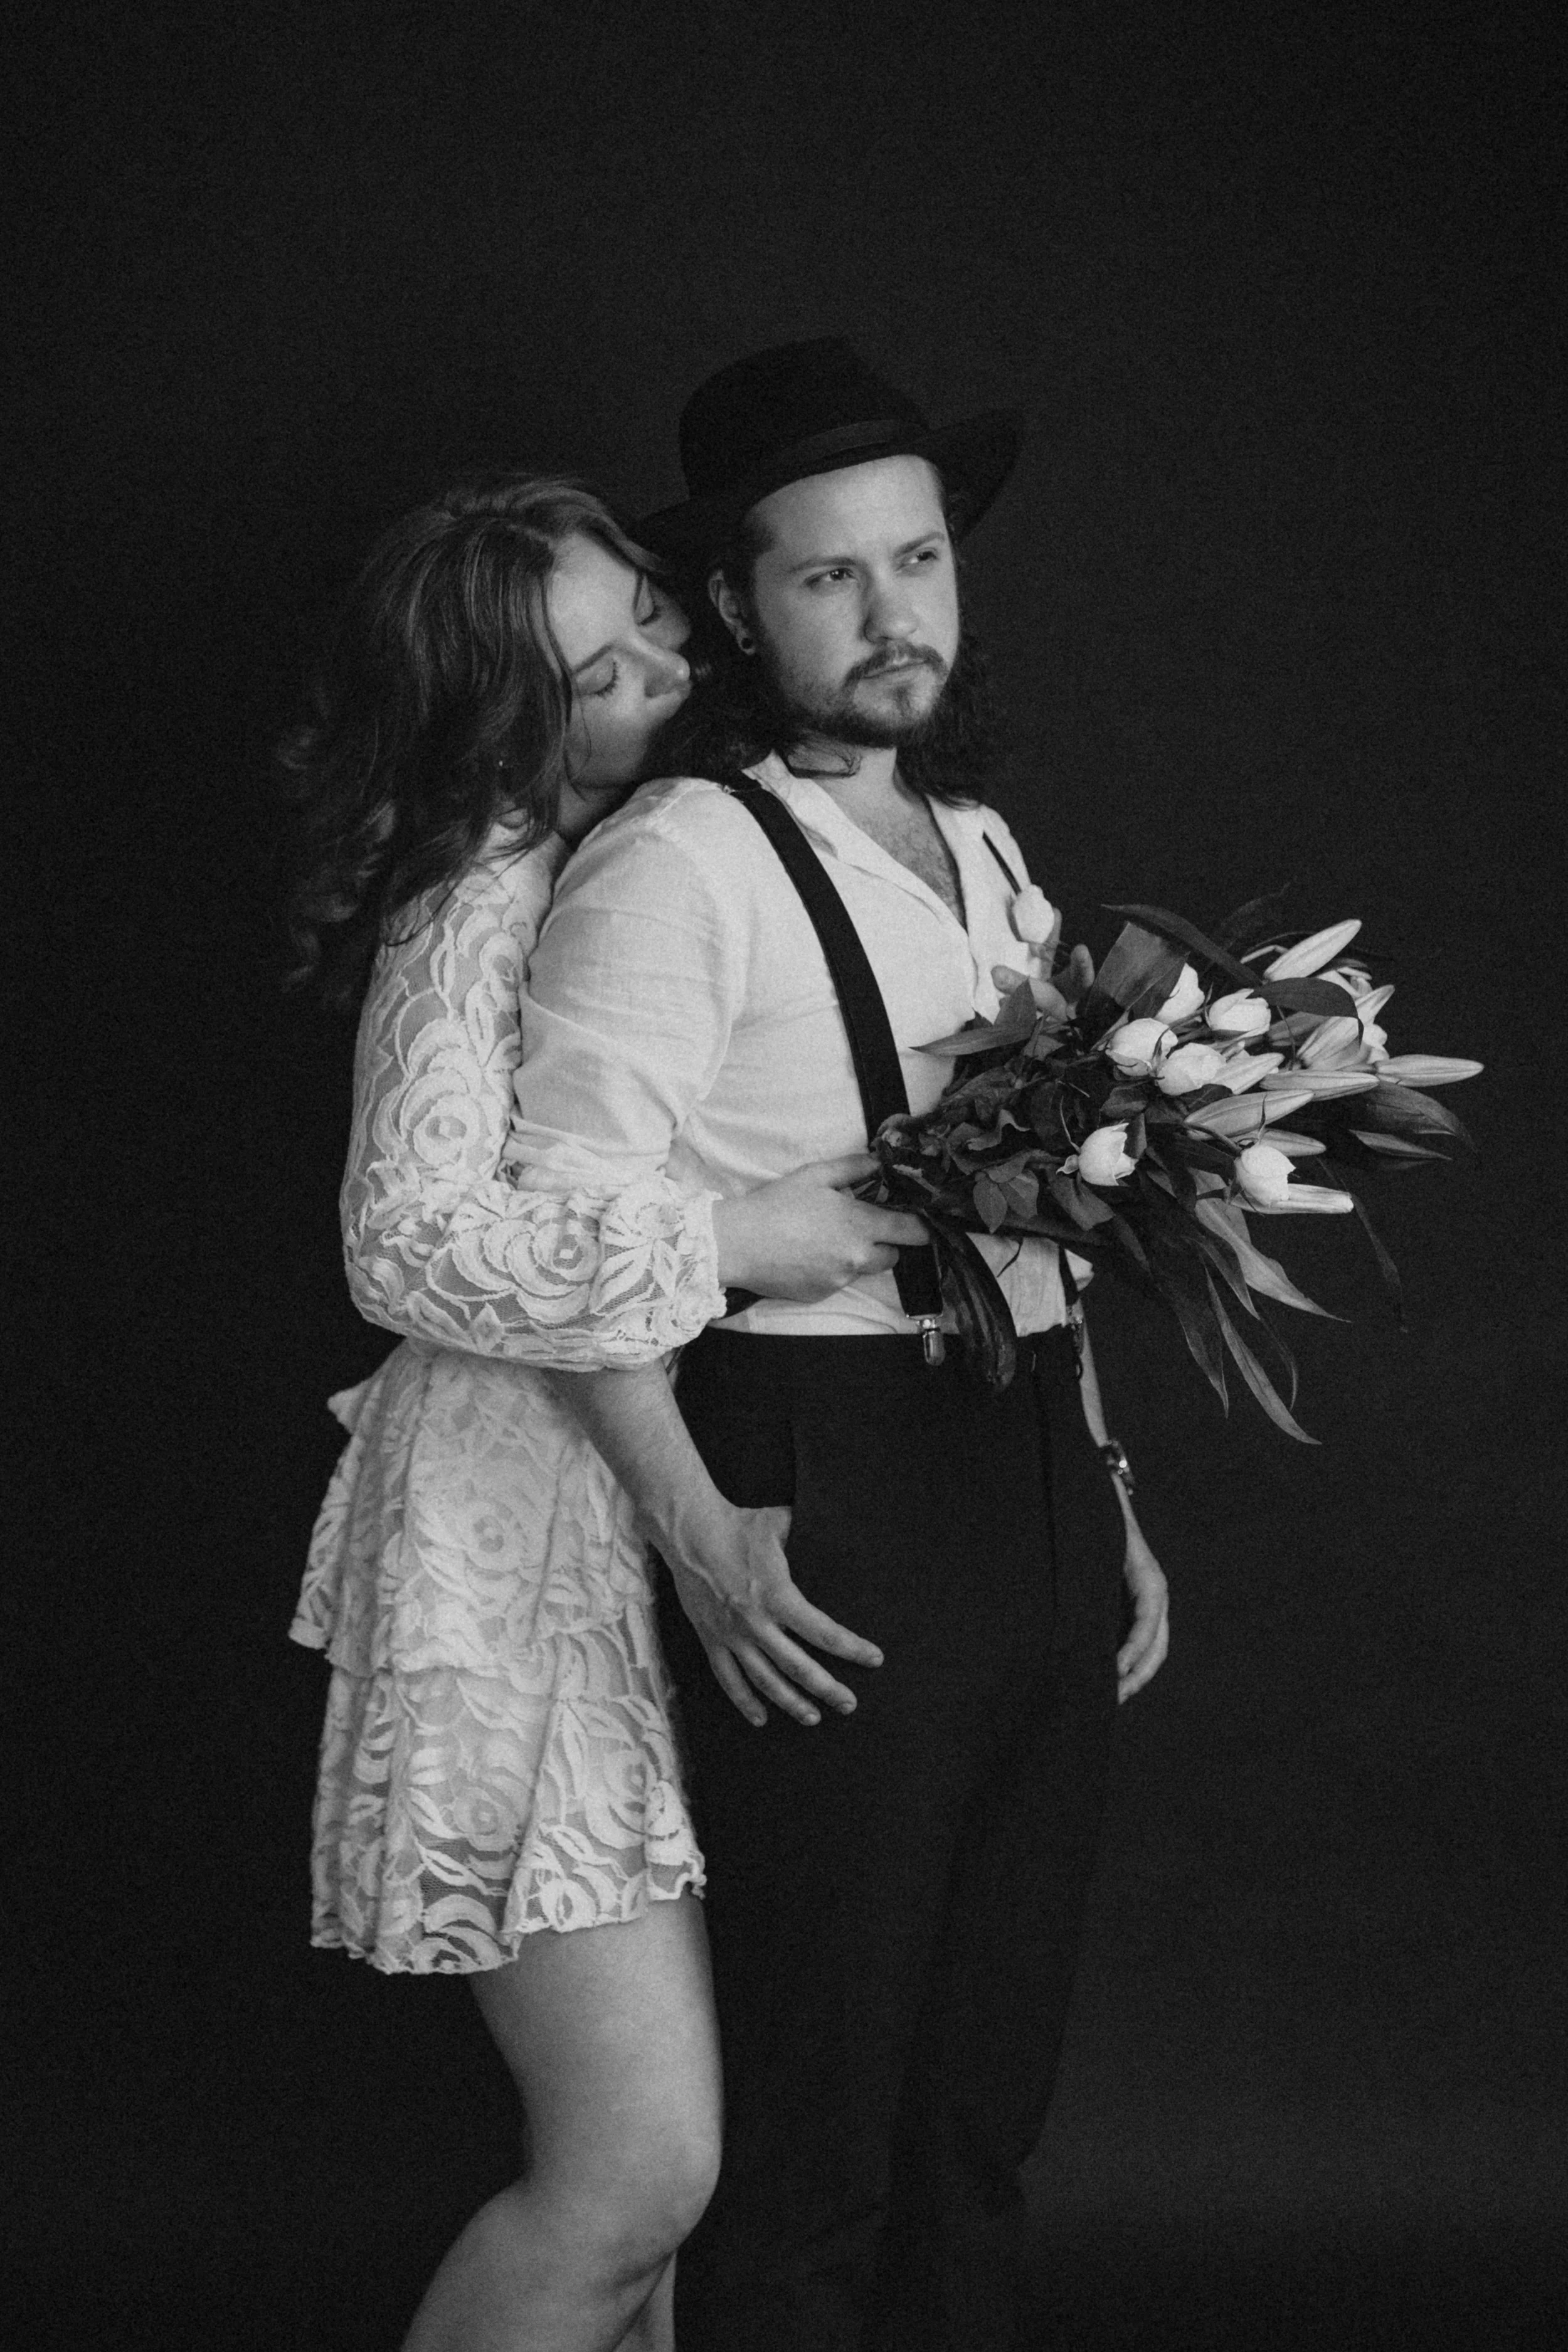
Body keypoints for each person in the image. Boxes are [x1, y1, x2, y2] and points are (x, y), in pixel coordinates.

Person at [507, 340, 1172, 2351]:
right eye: (828, 577)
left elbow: (1061, 1197)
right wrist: (707, 1536)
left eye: (920, 562)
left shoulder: (978, 850)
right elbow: (557, 1245)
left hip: (1032, 1481)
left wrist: (1111, 1491)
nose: (895, 617)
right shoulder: (672, 866)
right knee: (820, 2135)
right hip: (827, 1479)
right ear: (734, 602)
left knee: (981, 2118)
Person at [280, 471, 925, 2352]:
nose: (662, 667)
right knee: (636, 2171)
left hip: (629, 1519)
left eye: (651, 613)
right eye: (595, 669)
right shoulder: (478, 887)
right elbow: (401, 1243)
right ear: (504, 718)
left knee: (660, 2217)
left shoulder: (636, 857)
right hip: (508, 1557)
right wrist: (728, 1235)